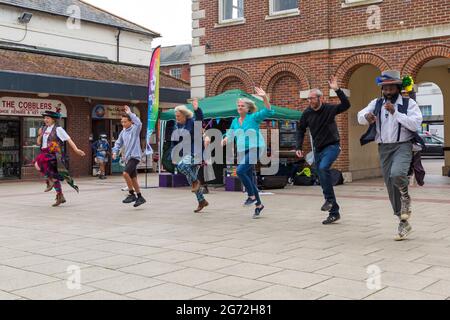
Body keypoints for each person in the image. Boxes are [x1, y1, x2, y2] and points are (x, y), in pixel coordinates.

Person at [358, 70, 423, 241]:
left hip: (403, 145)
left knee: (397, 174)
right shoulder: (377, 103)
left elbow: (415, 124)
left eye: (390, 89)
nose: (387, 92)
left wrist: (396, 113)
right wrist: (367, 116)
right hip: (384, 148)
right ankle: (402, 221)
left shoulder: (409, 104)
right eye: (384, 89)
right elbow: (360, 116)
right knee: (389, 184)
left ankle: (406, 196)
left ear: (398, 88)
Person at [295, 76, 351, 225]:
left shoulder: (329, 109)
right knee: (321, 175)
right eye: (308, 99)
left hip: (332, 146)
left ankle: (330, 202)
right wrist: (298, 147)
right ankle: (334, 211)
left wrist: (337, 90)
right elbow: (300, 130)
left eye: (312, 98)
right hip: (318, 149)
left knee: (323, 167)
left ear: (320, 98)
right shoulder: (307, 113)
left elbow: (346, 105)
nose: (309, 101)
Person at [222, 88, 274, 219]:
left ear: (248, 108)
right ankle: (259, 205)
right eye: (238, 106)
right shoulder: (235, 121)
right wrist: (226, 138)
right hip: (243, 151)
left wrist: (264, 98)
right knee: (250, 179)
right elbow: (230, 133)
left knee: (240, 171)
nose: (239, 107)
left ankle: (251, 196)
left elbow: (267, 111)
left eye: (242, 106)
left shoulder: (254, 118)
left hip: (254, 148)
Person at [34, 111, 86, 207]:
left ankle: (49, 181)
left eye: (47, 118)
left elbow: (68, 139)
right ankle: (60, 195)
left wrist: (76, 149)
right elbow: (38, 143)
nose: (45, 120)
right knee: (52, 175)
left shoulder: (58, 129)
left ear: (53, 119)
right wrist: (40, 135)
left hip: (54, 154)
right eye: (44, 118)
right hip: (44, 152)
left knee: (39, 163)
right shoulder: (44, 128)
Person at [172, 99, 209, 213]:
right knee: (190, 180)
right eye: (176, 116)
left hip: (195, 152)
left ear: (184, 115)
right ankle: (201, 201)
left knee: (182, 166)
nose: (177, 118)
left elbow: (199, 119)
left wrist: (197, 109)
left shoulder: (192, 122)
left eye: (178, 116)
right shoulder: (177, 126)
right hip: (185, 153)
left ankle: (196, 181)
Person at [112, 106, 146, 208]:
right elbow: (118, 143)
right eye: (122, 122)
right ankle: (140, 197)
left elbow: (139, 123)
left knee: (125, 173)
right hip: (127, 158)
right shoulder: (123, 132)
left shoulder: (135, 129)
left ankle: (131, 194)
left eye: (125, 121)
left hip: (135, 156)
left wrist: (130, 113)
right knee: (133, 178)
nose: (123, 124)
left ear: (131, 122)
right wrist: (115, 152)